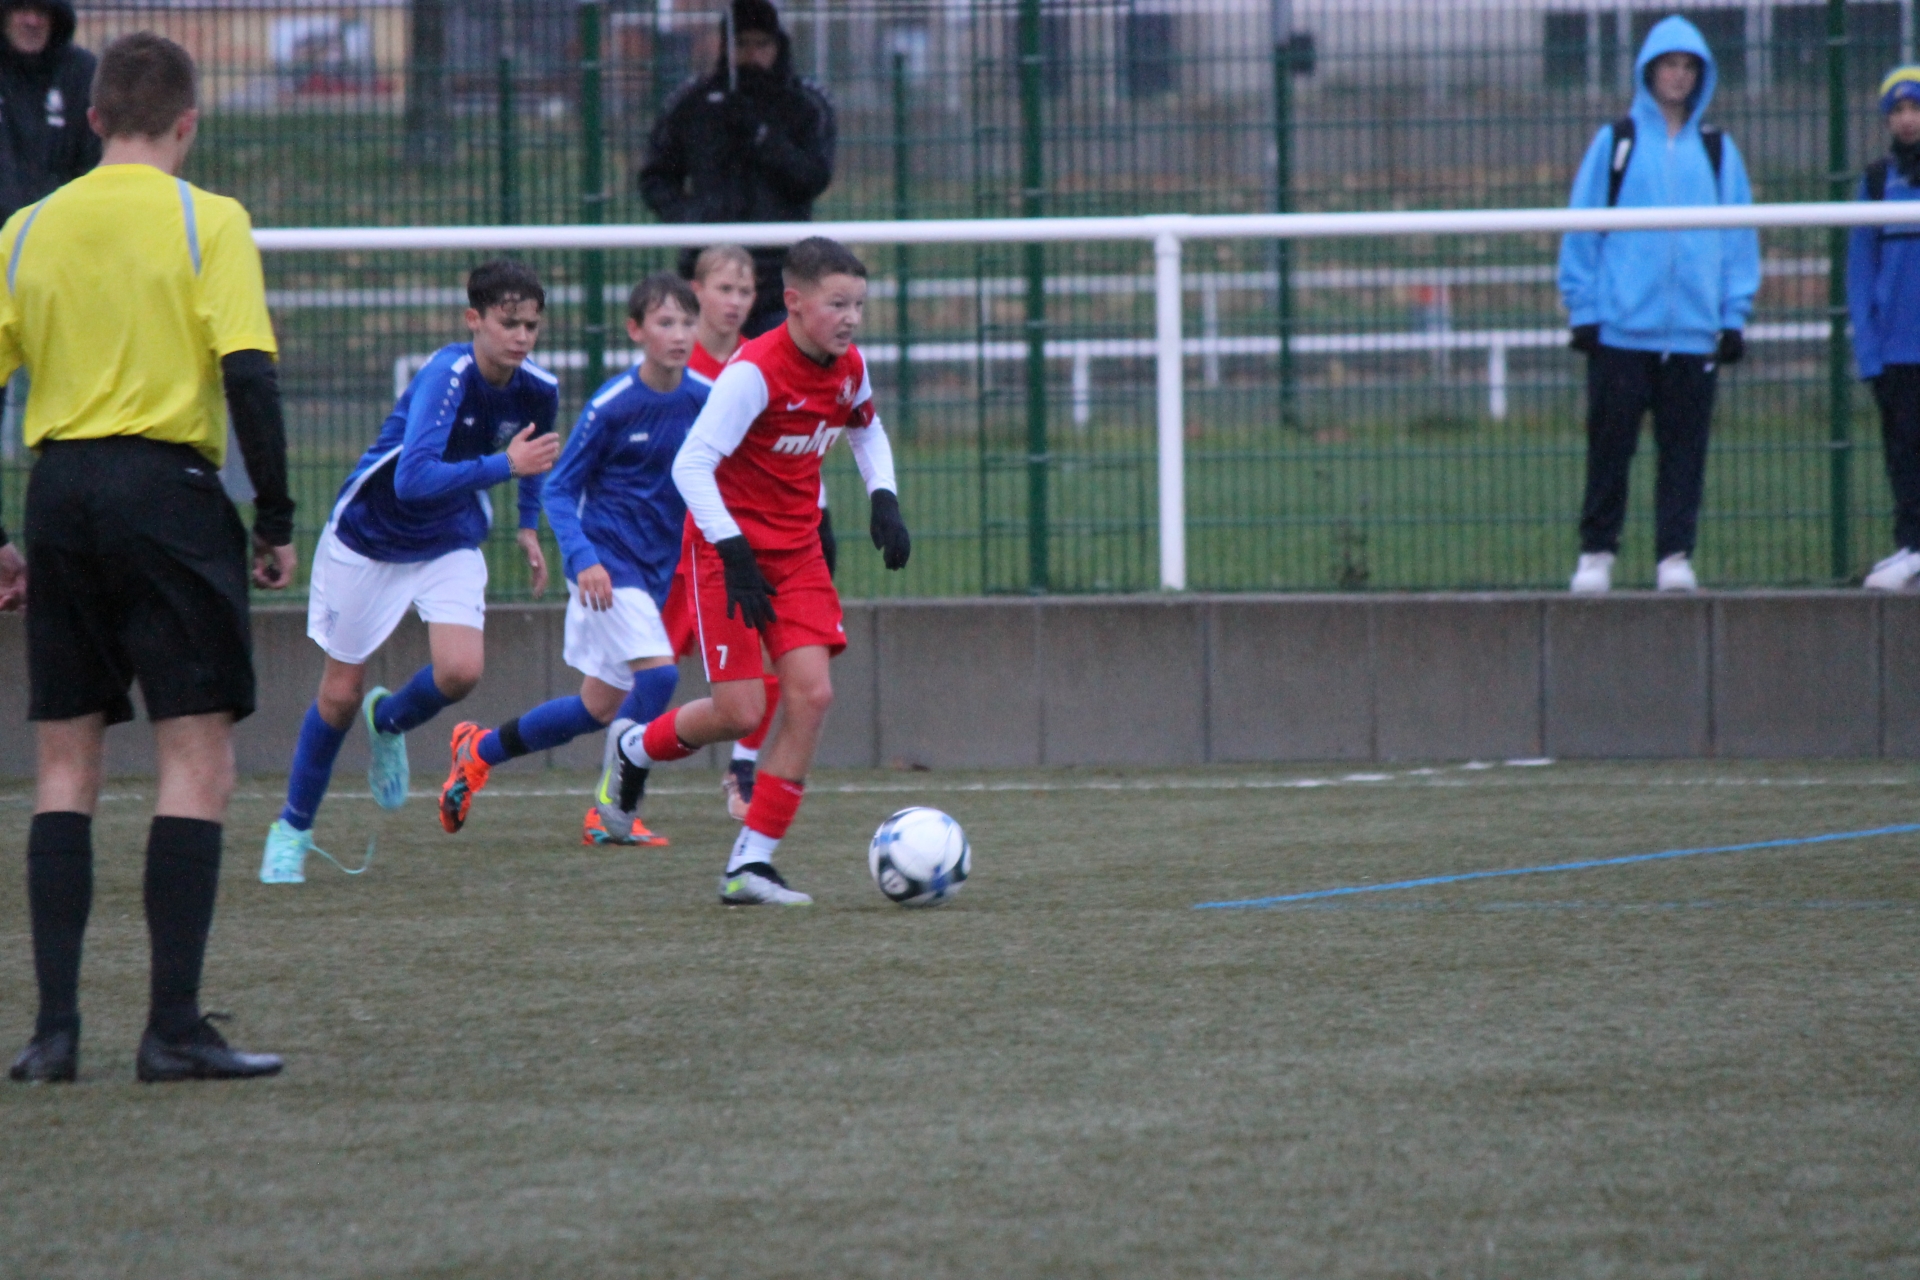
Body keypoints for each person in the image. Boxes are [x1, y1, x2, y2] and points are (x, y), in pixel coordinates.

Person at [3, 33, 295, 1083]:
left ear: (89, 118)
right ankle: (171, 1026)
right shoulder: (206, 218)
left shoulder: (25, 227)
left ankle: (53, 1032)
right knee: (194, 756)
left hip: (60, 496)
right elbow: (250, 374)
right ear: (188, 122)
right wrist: (274, 516)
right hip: (165, 495)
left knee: (65, 761)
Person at [609, 236, 911, 906]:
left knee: (813, 696)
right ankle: (634, 748)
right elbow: (690, 464)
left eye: (858, 304)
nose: (851, 317)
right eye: (837, 304)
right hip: (726, 550)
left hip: (798, 549)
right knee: (737, 710)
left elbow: (866, 429)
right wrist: (733, 547)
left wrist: (882, 497)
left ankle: (752, 864)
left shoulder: (847, 366)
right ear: (795, 303)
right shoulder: (754, 372)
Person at [260, 260, 559, 884]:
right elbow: (413, 478)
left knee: (461, 670)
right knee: (338, 694)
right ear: (473, 319)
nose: (523, 336)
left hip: (449, 537)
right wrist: (503, 466)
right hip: (370, 535)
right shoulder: (444, 377)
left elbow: (533, 457)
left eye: (532, 324)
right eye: (509, 323)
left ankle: (389, 720)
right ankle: (292, 828)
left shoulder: (539, 387)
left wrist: (528, 525)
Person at [439, 274, 709, 844]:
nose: (679, 335)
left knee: (595, 708)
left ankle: (477, 750)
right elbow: (560, 488)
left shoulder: (703, 399)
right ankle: (612, 812)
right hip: (607, 569)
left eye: (688, 322)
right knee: (658, 676)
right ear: (636, 331)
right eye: (665, 323)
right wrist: (583, 557)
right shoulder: (613, 406)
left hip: (652, 572)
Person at [1558, 15, 1759, 594]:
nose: (1678, 77)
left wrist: (1731, 315)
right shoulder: (1615, 143)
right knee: (1610, 448)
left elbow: (1739, 240)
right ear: (1649, 71)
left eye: (1689, 67)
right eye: (1669, 65)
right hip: (1622, 331)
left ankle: (1674, 554)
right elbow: (1582, 228)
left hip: (1693, 332)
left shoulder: (1719, 151)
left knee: (1684, 452)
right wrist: (1586, 311)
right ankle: (1597, 553)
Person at [676, 242, 837, 821]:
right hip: (692, 541)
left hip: (768, 539)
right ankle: (625, 772)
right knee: (644, 676)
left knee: (797, 673)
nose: (736, 301)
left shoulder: (783, 360)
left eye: (745, 291)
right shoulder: (687, 366)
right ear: (696, 292)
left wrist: (825, 512)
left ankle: (743, 769)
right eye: (724, 288)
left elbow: (804, 442)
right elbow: (685, 463)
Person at [638, 0, 835, 337]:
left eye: (762, 44)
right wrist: (693, 217)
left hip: (780, 277)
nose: (752, 54)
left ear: (778, 45)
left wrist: (761, 137)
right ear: (726, 46)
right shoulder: (694, 104)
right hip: (709, 277)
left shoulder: (805, 105)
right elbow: (656, 177)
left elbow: (813, 176)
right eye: (742, 44)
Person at [0, 1, 101, 457]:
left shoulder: (82, 74)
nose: (31, 19)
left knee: (83, 392)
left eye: (43, 9)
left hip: (65, 266)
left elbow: (96, 166)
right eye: (20, 7)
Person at [1852, 66, 1920, 591]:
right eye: (1896, 110)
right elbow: (1860, 272)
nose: (1906, 119)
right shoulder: (1877, 182)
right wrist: (1870, 353)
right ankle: (1912, 545)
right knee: (1902, 451)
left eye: (1914, 107)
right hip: (1897, 350)